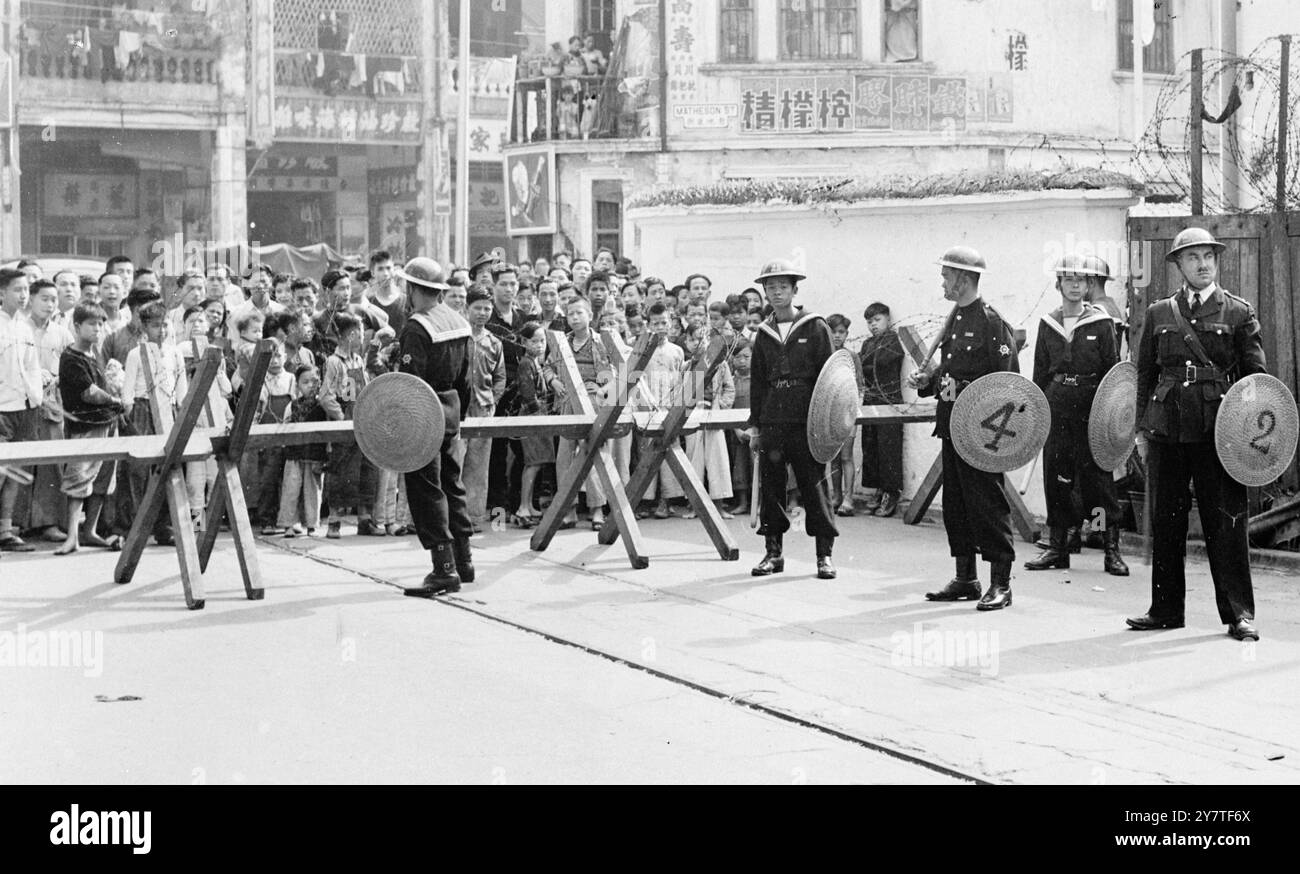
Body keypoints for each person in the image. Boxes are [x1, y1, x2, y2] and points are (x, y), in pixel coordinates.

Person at [1128, 228, 1267, 641]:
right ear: (1179, 266)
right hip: (1167, 430)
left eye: (1209, 256)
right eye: (1193, 258)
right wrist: (1140, 429)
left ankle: (1238, 614)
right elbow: (1144, 376)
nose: (1203, 264)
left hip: (1217, 432)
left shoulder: (1239, 313)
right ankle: (1165, 609)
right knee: (1166, 522)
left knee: (1226, 522)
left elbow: (1255, 380)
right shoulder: (1158, 313)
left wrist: (1249, 434)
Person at [908, 246, 1019, 609]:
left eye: (946, 275)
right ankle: (966, 578)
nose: (942, 281)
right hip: (951, 426)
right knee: (956, 505)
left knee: (988, 505)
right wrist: (927, 381)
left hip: (982, 432)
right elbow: (950, 371)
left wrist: (989, 427)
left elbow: (1008, 382)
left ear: (964, 278)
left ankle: (1001, 583)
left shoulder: (990, 321)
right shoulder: (956, 317)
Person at [1024, 254, 1128, 577]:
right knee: (1057, 476)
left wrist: (1110, 415)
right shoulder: (1048, 323)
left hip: (1090, 409)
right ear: (1058, 284)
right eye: (1068, 279)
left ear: (1087, 285)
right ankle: (1058, 546)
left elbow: (1113, 374)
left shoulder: (1100, 322)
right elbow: (1040, 372)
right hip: (1057, 406)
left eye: (1080, 280)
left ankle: (1110, 548)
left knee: (1096, 479)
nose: (1074, 285)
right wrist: (1038, 411)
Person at [746, 260, 838, 579]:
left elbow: (831, 377)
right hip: (773, 419)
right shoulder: (764, 332)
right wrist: (755, 424)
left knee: (814, 487)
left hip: (806, 422)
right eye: (771, 287)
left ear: (795, 289)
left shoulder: (815, 326)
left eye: (783, 286)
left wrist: (826, 422)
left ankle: (824, 556)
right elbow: (758, 382)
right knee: (771, 487)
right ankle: (773, 553)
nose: (777, 292)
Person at [396, 258, 474, 596]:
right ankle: (464, 561)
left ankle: (443, 570)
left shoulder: (417, 327)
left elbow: (410, 385)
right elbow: (467, 380)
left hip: (424, 417)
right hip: (451, 413)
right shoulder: (457, 320)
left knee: (427, 491)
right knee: (452, 485)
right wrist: (461, 417)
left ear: (413, 289)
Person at [55, 303, 125, 554]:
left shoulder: (94, 354)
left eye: (100, 324)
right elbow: (90, 393)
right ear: (76, 326)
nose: (97, 328)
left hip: (106, 423)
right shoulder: (71, 358)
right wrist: (116, 400)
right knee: (79, 478)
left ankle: (90, 531)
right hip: (86, 426)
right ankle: (72, 536)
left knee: (103, 480)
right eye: (91, 324)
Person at [121, 301, 188, 547]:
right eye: (155, 326)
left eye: (165, 325)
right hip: (141, 409)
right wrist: (130, 414)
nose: (161, 330)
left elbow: (181, 388)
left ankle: (164, 526)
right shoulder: (135, 353)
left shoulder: (175, 352)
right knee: (138, 470)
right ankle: (133, 526)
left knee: (169, 466)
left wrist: (181, 410)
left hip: (168, 410)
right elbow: (127, 392)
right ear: (145, 327)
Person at [546, 296, 614, 529]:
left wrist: (602, 388)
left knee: (593, 454)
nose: (574, 317)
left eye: (579, 313)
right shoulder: (562, 342)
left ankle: (597, 510)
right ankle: (569, 510)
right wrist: (553, 381)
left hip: (593, 405)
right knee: (564, 458)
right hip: (567, 404)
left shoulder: (600, 342)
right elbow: (547, 367)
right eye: (570, 313)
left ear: (590, 316)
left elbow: (613, 373)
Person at [319, 312, 377, 538]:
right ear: (352, 334)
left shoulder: (358, 360)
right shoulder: (334, 362)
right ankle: (334, 522)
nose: (362, 338)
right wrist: (342, 419)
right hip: (344, 427)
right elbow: (326, 396)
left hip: (362, 423)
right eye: (361, 334)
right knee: (341, 472)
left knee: (366, 471)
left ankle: (365, 520)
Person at [0, 268, 44, 552]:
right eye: (17, 289)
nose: (24, 294)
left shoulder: (25, 327)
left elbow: (32, 367)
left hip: (25, 408)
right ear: (1, 293)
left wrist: (36, 397)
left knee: (15, 471)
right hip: (1, 408)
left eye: (26, 289)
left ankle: (5, 530)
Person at [463, 288, 506, 529]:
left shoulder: (494, 342)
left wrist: (493, 402)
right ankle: (453, 517)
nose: (482, 313)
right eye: (477, 307)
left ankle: (475, 516)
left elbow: (500, 377)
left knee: (479, 467)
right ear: (467, 308)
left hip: (483, 410)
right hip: (459, 410)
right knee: (455, 464)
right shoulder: (458, 337)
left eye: (487, 309)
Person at [859, 302, 905, 517]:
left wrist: (866, 362)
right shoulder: (869, 343)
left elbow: (881, 361)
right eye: (869, 322)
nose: (873, 325)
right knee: (871, 447)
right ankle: (877, 488)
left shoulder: (893, 340)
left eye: (877, 320)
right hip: (870, 401)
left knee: (888, 448)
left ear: (888, 319)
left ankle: (891, 492)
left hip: (889, 401)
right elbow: (861, 365)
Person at [277, 365, 328, 538]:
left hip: (315, 454)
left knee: (312, 491)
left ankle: (312, 524)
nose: (310, 385)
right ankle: (289, 524)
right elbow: (284, 426)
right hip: (294, 454)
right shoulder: (292, 406)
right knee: (291, 489)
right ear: (298, 385)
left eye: (314, 381)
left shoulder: (323, 406)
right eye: (305, 382)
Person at [513, 322, 555, 527]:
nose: (539, 345)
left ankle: (528, 505)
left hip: (540, 413)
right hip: (533, 414)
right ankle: (523, 506)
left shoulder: (536, 362)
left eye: (542, 341)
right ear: (524, 342)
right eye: (534, 341)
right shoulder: (525, 363)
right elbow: (528, 394)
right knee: (533, 462)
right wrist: (540, 408)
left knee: (536, 462)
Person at [826, 313, 859, 516]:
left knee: (846, 455)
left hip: (848, 410)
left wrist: (855, 411)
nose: (837, 336)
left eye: (841, 332)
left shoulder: (851, 356)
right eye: (833, 332)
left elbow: (860, 385)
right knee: (833, 457)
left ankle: (849, 498)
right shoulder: (824, 355)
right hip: (829, 411)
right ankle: (836, 495)